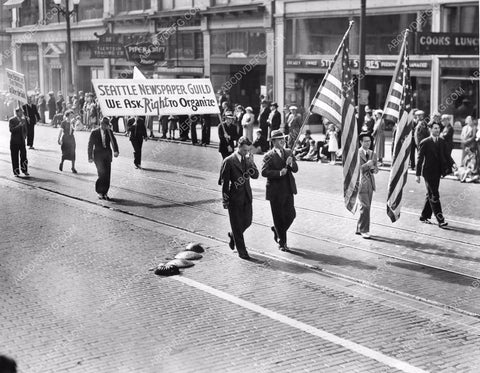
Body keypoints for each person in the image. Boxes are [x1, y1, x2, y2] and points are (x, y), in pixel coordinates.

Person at [219, 136, 259, 260]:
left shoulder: (247, 160)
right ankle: (242, 252)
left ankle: (233, 235)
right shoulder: (229, 161)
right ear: (239, 147)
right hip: (234, 198)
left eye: (248, 150)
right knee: (236, 224)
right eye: (245, 150)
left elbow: (256, 176)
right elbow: (225, 183)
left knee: (247, 221)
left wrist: (252, 162)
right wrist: (225, 200)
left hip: (247, 196)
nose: (247, 153)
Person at [262, 129, 298, 252]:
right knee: (279, 218)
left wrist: (292, 163)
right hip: (275, 192)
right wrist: (279, 173)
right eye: (279, 139)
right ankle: (282, 243)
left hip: (288, 189)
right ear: (273, 142)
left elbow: (295, 169)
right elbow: (264, 172)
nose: (283, 140)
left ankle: (277, 230)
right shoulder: (268, 156)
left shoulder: (288, 152)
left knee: (291, 215)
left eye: (283, 138)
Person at [416, 122, 457, 227]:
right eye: (435, 128)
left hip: (438, 172)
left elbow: (447, 155)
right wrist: (417, 175)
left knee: (430, 194)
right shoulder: (425, 142)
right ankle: (440, 220)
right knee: (434, 195)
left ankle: (424, 216)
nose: (437, 130)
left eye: (438, 128)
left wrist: (453, 163)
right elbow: (419, 159)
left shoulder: (442, 141)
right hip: (428, 173)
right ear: (430, 129)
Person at [88, 117, 119, 200]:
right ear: (100, 124)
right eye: (102, 124)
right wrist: (90, 157)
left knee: (107, 174)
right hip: (98, 156)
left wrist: (116, 151)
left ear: (107, 125)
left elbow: (114, 142)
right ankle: (99, 192)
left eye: (105, 125)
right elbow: (90, 145)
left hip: (107, 156)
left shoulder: (109, 132)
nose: (103, 126)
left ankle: (105, 192)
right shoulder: (94, 132)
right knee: (101, 174)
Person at [355, 133, 378, 239]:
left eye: (369, 141)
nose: (368, 143)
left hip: (370, 184)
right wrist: (366, 165)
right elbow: (356, 169)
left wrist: (374, 168)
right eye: (365, 141)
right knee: (365, 207)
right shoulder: (357, 153)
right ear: (361, 142)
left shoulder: (373, 153)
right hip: (360, 183)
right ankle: (364, 230)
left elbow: (375, 170)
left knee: (366, 207)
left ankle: (359, 228)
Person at [9, 108, 29, 177]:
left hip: (22, 141)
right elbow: (11, 130)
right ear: (17, 113)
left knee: (24, 156)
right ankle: (16, 171)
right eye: (20, 112)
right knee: (15, 157)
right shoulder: (12, 120)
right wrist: (18, 126)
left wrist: (25, 135)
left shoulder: (23, 119)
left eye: (22, 112)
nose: (22, 113)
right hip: (14, 141)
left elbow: (25, 129)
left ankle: (25, 170)